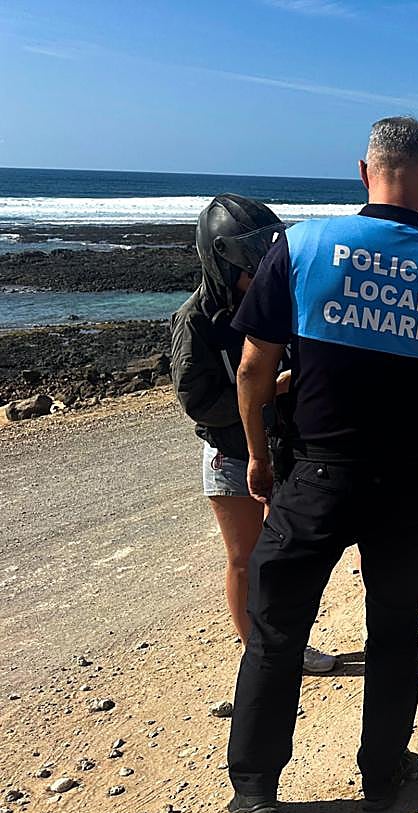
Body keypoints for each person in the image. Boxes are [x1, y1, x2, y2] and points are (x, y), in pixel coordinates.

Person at [225, 116, 418, 813]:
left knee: (277, 632)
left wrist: (257, 455)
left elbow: (253, 370)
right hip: (408, 482)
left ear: (362, 170)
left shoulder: (303, 245)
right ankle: (382, 774)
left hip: (314, 476)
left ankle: (255, 788)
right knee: (394, 633)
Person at [169, 194, 337, 676]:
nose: (262, 274)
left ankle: (283, 640)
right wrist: (267, 389)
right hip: (232, 456)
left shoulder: (276, 304)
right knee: (244, 558)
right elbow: (197, 401)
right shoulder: (195, 320)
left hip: (282, 449)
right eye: (252, 267)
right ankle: (260, 651)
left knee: (280, 556)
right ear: (223, 262)